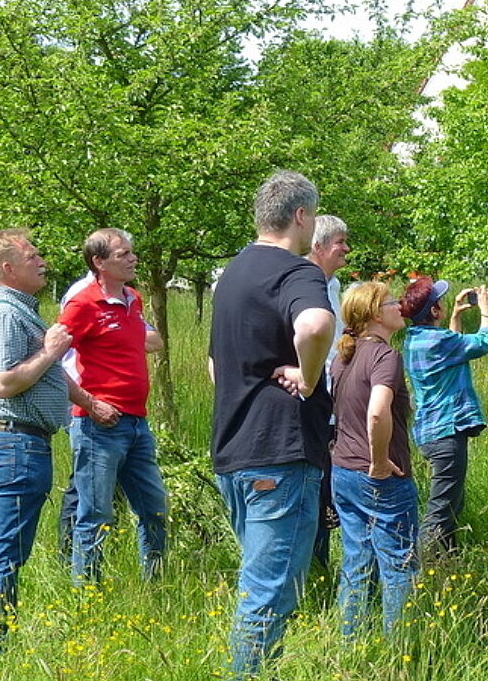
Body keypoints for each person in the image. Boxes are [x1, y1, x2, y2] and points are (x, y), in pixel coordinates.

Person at [209, 170, 335, 677]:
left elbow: (215, 364)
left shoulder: (231, 275)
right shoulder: (297, 272)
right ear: (301, 216)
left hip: (234, 449)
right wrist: (306, 376)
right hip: (280, 453)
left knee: (262, 585)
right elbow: (316, 324)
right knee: (268, 594)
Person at [0, 229, 96, 643]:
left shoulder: (18, 309)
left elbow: (44, 377)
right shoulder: (3, 313)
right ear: (8, 268)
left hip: (15, 441)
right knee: (6, 550)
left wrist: (88, 402)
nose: (42, 262)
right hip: (17, 443)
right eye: (32, 256)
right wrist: (51, 351)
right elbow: (2, 383)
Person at [59, 228, 168, 584]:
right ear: (99, 262)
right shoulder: (83, 304)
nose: (133, 258)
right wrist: (90, 404)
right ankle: (87, 593)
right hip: (98, 427)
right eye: (123, 254)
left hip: (137, 423)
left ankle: (157, 584)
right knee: (95, 514)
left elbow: (152, 342)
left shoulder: (133, 299)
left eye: (131, 252)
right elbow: (47, 360)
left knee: (154, 509)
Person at [330, 281, 419, 637]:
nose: (399, 306)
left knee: (356, 562)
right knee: (399, 565)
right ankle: (400, 654)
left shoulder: (343, 358)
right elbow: (377, 413)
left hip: (343, 471)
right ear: (373, 314)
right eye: (391, 302)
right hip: (378, 477)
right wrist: (380, 461)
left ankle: (350, 646)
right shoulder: (385, 357)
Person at [400, 276, 488, 554]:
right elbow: (483, 342)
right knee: (441, 510)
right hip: (447, 433)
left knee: (451, 504)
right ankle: (419, 570)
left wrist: (454, 317)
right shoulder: (439, 342)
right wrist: (487, 310)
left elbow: (451, 350)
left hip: (429, 433)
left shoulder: (414, 340)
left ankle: (447, 561)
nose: (442, 303)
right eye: (439, 302)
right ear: (433, 311)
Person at [305, 214, 350, 570]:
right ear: (318, 247)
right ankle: (311, 570)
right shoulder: (301, 285)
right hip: (309, 406)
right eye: (340, 242)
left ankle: (323, 570)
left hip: (337, 407)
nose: (346, 249)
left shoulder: (334, 287)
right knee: (312, 490)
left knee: (331, 492)